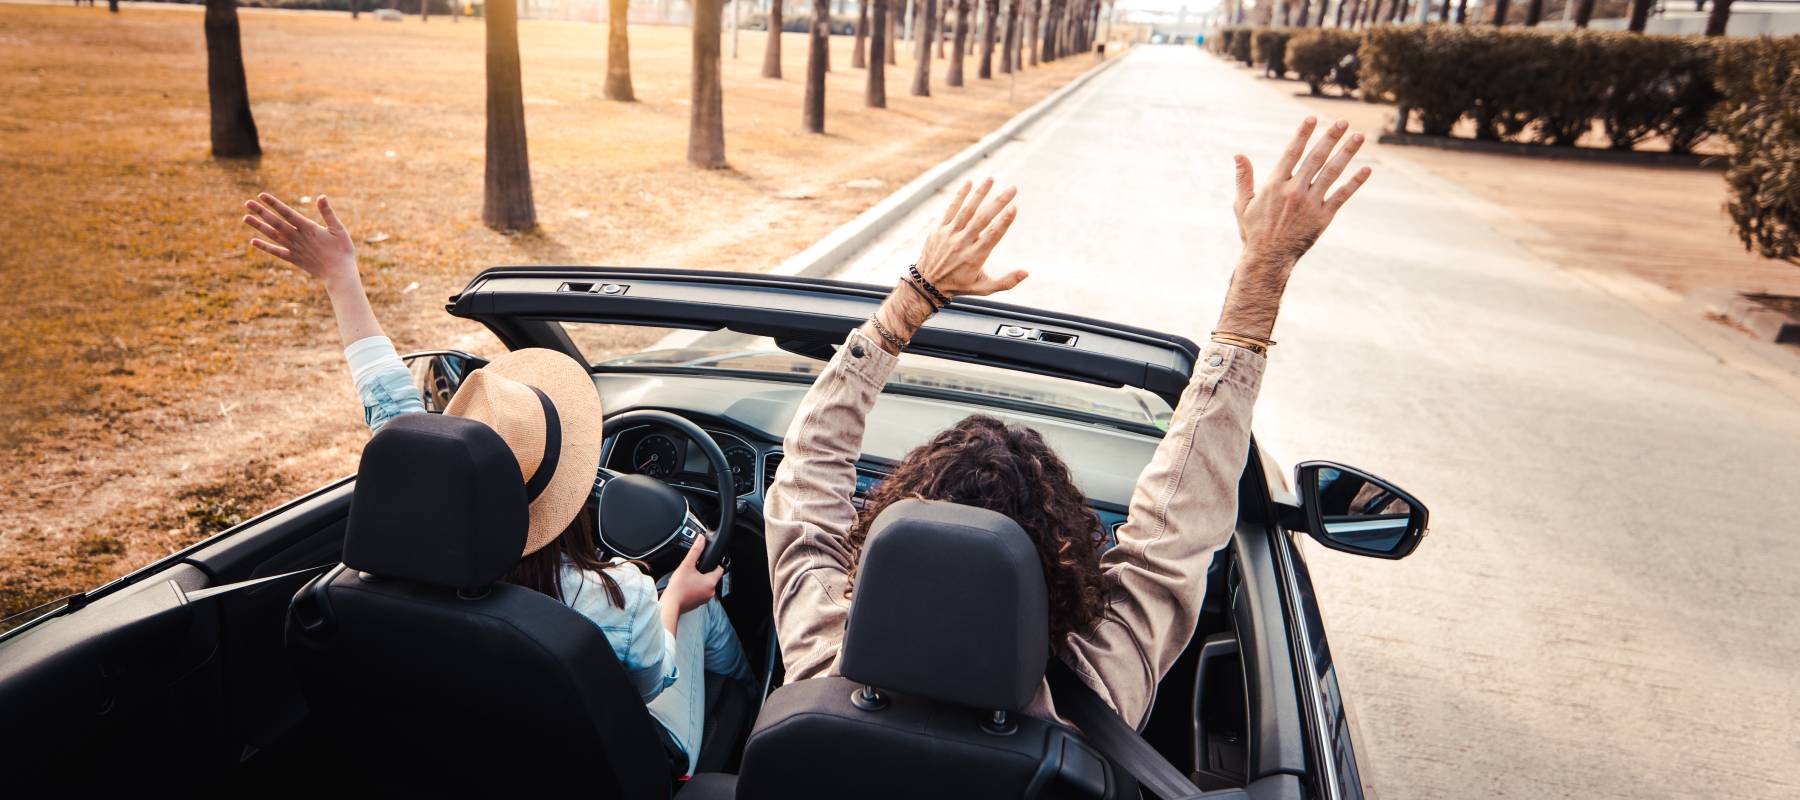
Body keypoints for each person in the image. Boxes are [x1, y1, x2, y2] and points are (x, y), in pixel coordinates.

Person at [764, 116, 1373, 726]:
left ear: (874, 548)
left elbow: (809, 468)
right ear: (1065, 572)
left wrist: (916, 295)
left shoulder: (820, 650)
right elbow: (1179, 524)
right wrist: (1266, 264)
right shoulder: (1102, 684)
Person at [238, 193, 751, 774]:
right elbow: (655, 679)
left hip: (449, 767)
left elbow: (388, 403)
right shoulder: (617, 595)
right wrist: (675, 597)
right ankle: (755, 709)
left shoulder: (383, 579)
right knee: (698, 607)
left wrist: (341, 279)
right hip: (622, 770)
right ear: (574, 482)